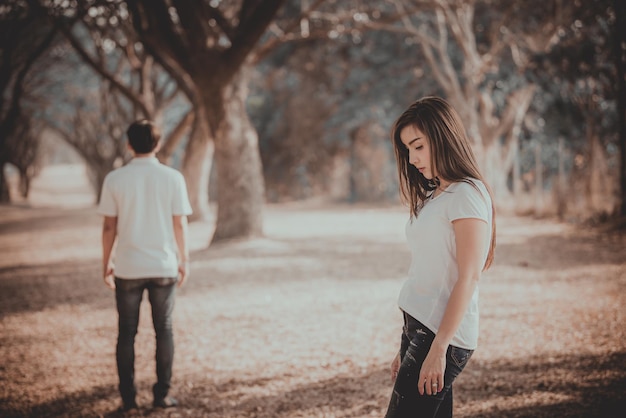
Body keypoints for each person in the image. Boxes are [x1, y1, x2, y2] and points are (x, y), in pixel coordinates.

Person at [384, 97, 496, 418]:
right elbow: (427, 271)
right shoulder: (436, 195)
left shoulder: (467, 193)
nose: (412, 158)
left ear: (442, 137)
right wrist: (404, 346)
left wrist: (439, 347)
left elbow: (469, 276)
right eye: (407, 149)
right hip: (418, 327)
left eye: (418, 146)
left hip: (439, 333)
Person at [98, 120, 192, 412]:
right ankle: (161, 395)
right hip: (164, 265)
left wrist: (106, 263)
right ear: (159, 144)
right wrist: (183, 259)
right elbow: (180, 223)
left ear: (128, 144)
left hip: (127, 267)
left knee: (127, 332)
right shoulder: (173, 178)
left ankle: (127, 398)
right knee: (164, 330)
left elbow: (108, 227)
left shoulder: (115, 179)